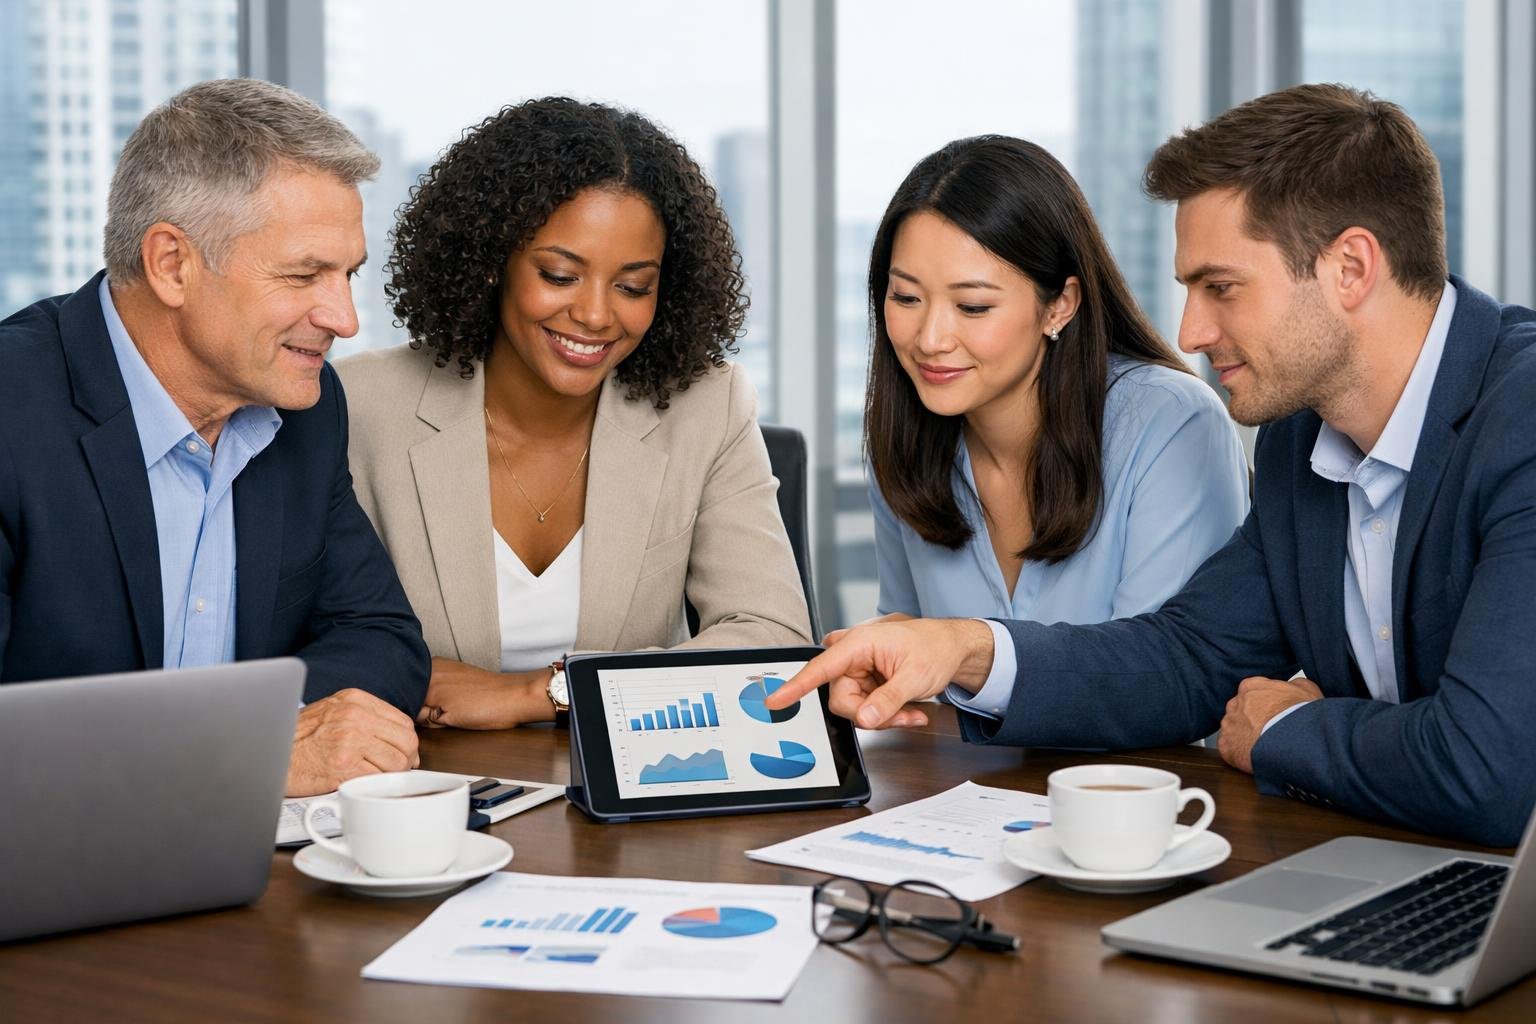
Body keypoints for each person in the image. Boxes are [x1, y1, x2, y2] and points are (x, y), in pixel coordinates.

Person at [769, 84, 1536, 847]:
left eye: (1221, 288)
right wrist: (961, 648)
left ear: (1350, 267)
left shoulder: (1522, 419)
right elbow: (1187, 658)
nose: (1191, 331)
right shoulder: (1301, 440)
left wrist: (1286, 727)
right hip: (1401, 870)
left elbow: (1485, 771)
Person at [0, 79, 429, 796]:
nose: (345, 319)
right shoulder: (14, 412)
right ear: (173, 264)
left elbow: (381, 639)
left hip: (243, 866)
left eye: (347, 274)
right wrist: (244, 759)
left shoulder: (304, 410)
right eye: (305, 275)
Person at [336, 97, 812, 730]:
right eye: (560, 275)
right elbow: (305, 643)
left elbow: (771, 639)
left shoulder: (707, 406)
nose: (595, 314)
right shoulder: (357, 407)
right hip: (430, 792)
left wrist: (541, 694)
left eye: (633, 286)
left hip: (632, 788)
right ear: (490, 261)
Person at [863, 136, 1247, 646]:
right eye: (906, 297)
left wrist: (969, 659)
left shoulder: (1171, 424)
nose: (930, 340)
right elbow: (909, 653)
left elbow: (1161, 677)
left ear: (1059, 306)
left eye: (973, 307)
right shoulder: (900, 440)